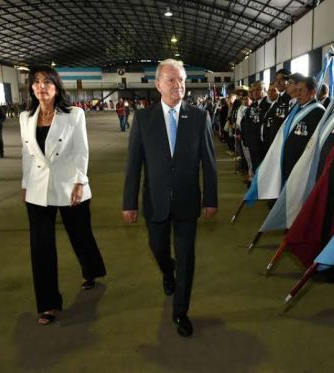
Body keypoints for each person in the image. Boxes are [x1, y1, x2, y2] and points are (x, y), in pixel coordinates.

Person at [122, 59, 218, 338]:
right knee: (158, 248)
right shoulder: (143, 119)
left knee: (187, 256)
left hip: (188, 201)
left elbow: (209, 164)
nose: (178, 86)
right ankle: (167, 271)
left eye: (182, 80)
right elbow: (134, 165)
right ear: (158, 85)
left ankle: (181, 312)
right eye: (172, 80)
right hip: (156, 201)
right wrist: (129, 202)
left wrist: (210, 198)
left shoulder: (200, 117)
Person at [20, 66, 107, 325]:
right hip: (37, 189)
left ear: (56, 87)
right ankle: (48, 303)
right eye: (36, 82)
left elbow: (81, 150)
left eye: (47, 81)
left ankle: (91, 270)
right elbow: (27, 154)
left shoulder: (74, 115)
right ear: (31, 88)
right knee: (41, 248)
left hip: (70, 185)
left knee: (80, 235)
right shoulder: (26, 117)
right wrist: (26, 183)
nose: (41, 86)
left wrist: (81, 181)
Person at [281, 76, 325, 182]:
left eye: (302, 91)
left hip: (302, 163)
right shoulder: (297, 109)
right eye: (297, 90)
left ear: (312, 92)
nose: (298, 94)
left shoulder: (318, 112)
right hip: (290, 160)